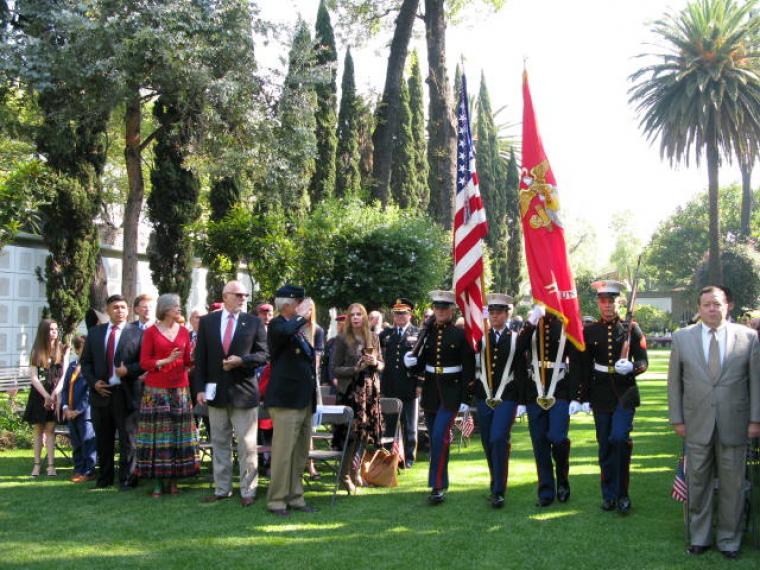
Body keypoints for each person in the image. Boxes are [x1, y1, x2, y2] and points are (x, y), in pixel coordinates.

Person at [668, 285, 760, 559]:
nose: (712, 308)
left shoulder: (748, 337)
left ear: (727, 306)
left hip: (736, 422)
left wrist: (755, 419)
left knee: (733, 484)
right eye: (706, 304)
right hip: (695, 423)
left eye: (717, 303)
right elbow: (674, 384)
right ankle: (700, 536)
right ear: (699, 308)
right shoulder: (682, 338)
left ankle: (729, 540)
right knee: (698, 482)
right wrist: (677, 419)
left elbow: (756, 382)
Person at [194, 280, 268, 506]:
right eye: (238, 294)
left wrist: (241, 361)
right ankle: (222, 488)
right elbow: (201, 360)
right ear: (225, 296)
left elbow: (263, 355)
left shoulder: (254, 322)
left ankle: (248, 490)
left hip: (244, 393)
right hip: (216, 394)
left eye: (245, 295)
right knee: (219, 442)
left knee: (247, 445)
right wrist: (199, 389)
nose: (243, 298)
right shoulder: (208, 322)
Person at [578, 280, 648, 514]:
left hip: (624, 394)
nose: (608, 305)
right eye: (603, 301)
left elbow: (643, 361)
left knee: (619, 439)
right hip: (600, 394)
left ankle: (623, 494)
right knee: (605, 445)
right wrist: (582, 397)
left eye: (612, 301)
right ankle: (608, 495)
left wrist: (632, 367)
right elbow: (585, 367)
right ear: (598, 303)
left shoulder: (631, 328)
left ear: (619, 302)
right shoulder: (590, 331)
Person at [404, 290, 475, 505]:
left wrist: (465, 397)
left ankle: (437, 486)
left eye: (445, 308)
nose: (441, 311)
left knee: (438, 437)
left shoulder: (460, 334)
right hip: (431, 393)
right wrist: (411, 362)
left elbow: (468, 369)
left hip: (451, 393)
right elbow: (423, 360)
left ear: (452, 310)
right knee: (438, 441)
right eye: (437, 308)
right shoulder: (428, 333)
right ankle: (440, 482)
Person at [136, 293, 199, 497]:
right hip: (156, 391)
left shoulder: (183, 332)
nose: (179, 309)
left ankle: (173, 481)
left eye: (180, 306)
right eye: (176, 306)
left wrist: (196, 357)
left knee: (177, 437)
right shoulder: (151, 332)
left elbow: (188, 362)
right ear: (165, 309)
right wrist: (165, 361)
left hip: (180, 389)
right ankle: (157, 482)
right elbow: (144, 362)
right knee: (158, 437)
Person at [265, 285, 319, 516]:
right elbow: (285, 332)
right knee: (283, 453)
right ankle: (277, 500)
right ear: (287, 303)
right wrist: (300, 317)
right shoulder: (278, 325)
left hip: (303, 400)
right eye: (299, 301)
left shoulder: (298, 329)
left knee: (299, 454)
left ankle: (296, 497)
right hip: (286, 400)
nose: (303, 305)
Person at [519, 304, 581, 507]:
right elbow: (519, 348)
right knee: (539, 443)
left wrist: (576, 396)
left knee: (557, 437)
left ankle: (562, 479)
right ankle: (546, 491)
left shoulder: (566, 323)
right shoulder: (532, 324)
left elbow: (577, 361)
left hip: (560, 389)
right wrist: (531, 321)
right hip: (534, 390)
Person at [81, 294, 144, 489]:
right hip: (101, 394)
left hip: (126, 394)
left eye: (123, 307)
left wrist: (128, 371)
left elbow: (143, 363)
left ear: (128, 310)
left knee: (128, 439)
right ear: (108, 311)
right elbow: (86, 363)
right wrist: (94, 383)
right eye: (115, 307)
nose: (120, 311)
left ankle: (127, 479)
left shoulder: (138, 333)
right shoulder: (95, 333)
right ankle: (105, 478)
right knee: (103, 439)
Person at [476, 293, 527, 508]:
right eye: (492, 312)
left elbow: (522, 371)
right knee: (488, 441)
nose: (495, 315)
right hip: (484, 396)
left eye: (499, 312)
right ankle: (495, 479)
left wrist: (523, 401)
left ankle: (499, 490)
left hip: (507, 396)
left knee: (498, 438)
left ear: (507, 314)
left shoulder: (516, 338)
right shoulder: (481, 338)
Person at [332, 302, 385, 493]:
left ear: (364, 317)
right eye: (352, 315)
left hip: (369, 392)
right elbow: (335, 369)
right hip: (350, 393)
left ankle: (355, 473)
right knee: (351, 435)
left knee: (365, 435)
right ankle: (344, 476)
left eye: (359, 314)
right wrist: (356, 368)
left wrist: (375, 362)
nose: (355, 317)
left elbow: (382, 365)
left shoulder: (374, 338)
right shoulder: (342, 339)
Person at [24, 318, 69, 478]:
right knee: (38, 430)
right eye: (51, 329)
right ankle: (36, 465)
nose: (54, 332)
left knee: (50, 430)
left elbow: (64, 375)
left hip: (55, 394)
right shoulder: (36, 351)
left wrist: (55, 393)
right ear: (44, 331)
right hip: (39, 395)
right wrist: (45, 396)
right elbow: (34, 377)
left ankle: (51, 466)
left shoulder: (63, 349)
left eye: (56, 329)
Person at [379, 297, 420, 469]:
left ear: (410, 314)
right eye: (397, 314)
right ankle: (388, 455)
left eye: (403, 313)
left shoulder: (417, 334)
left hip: (409, 386)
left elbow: (422, 362)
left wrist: (420, 384)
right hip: (390, 385)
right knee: (389, 424)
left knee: (409, 425)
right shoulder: (386, 335)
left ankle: (408, 458)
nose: (400, 317)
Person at [60, 335, 96, 482]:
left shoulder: (91, 367)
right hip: (70, 412)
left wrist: (78, 410)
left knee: (87, 441)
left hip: (85, 413)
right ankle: (78, 469)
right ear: (76, 350)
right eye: (82, 349)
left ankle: (89, 471)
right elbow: (65, 388)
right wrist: (65, 407)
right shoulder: (72, 365)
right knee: (76, 443)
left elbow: (89, 391)